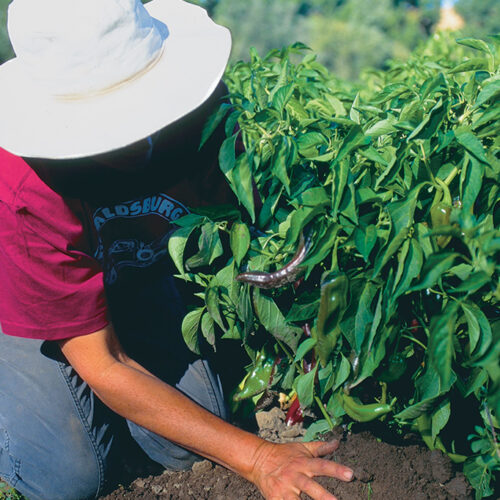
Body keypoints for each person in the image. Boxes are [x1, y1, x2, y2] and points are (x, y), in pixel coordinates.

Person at [0, 1, 354, 499]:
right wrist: (257, 458)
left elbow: (250, 233)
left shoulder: (203, 112)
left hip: (132, 275)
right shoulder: (22, 186)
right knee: (68, 480)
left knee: (185, 448)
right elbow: (104, 363)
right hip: (23, 296)